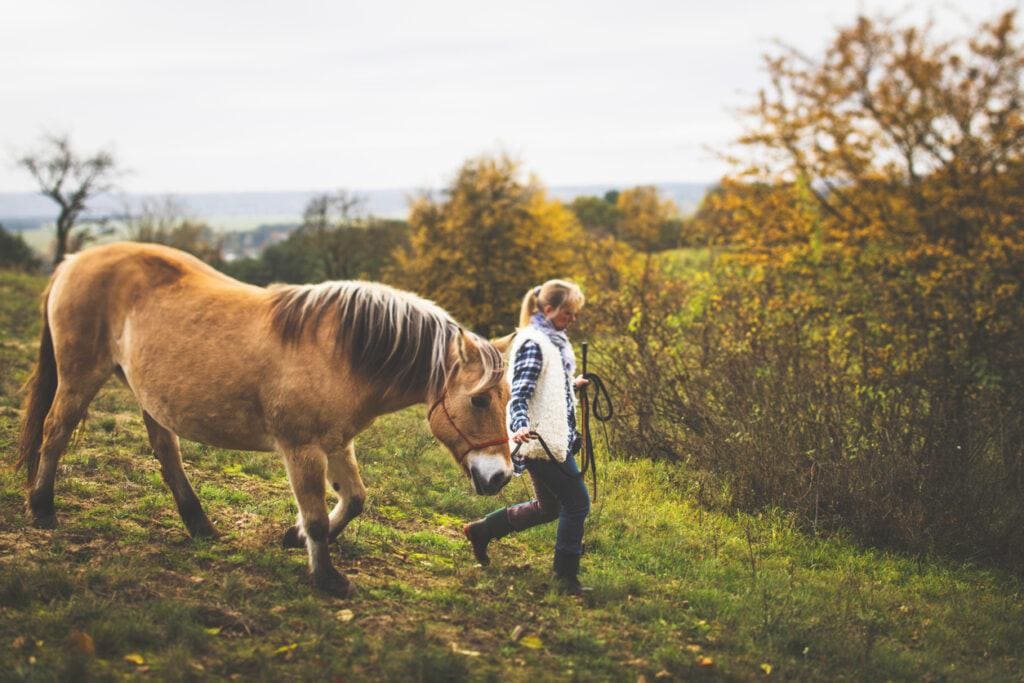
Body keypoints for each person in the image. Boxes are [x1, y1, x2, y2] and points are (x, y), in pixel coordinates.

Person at [463, 279, 591, 594]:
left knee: (549, 508)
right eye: (567, 314)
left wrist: (572, 384)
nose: (572, 320)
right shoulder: (535, 343)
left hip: (550, 438)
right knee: (577, 503)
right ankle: (565, 577)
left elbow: (543, 387)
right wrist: (518, 423)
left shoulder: (553, 340)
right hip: (539, 441)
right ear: (548, 310)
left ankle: (482, 530)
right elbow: (519, 394)